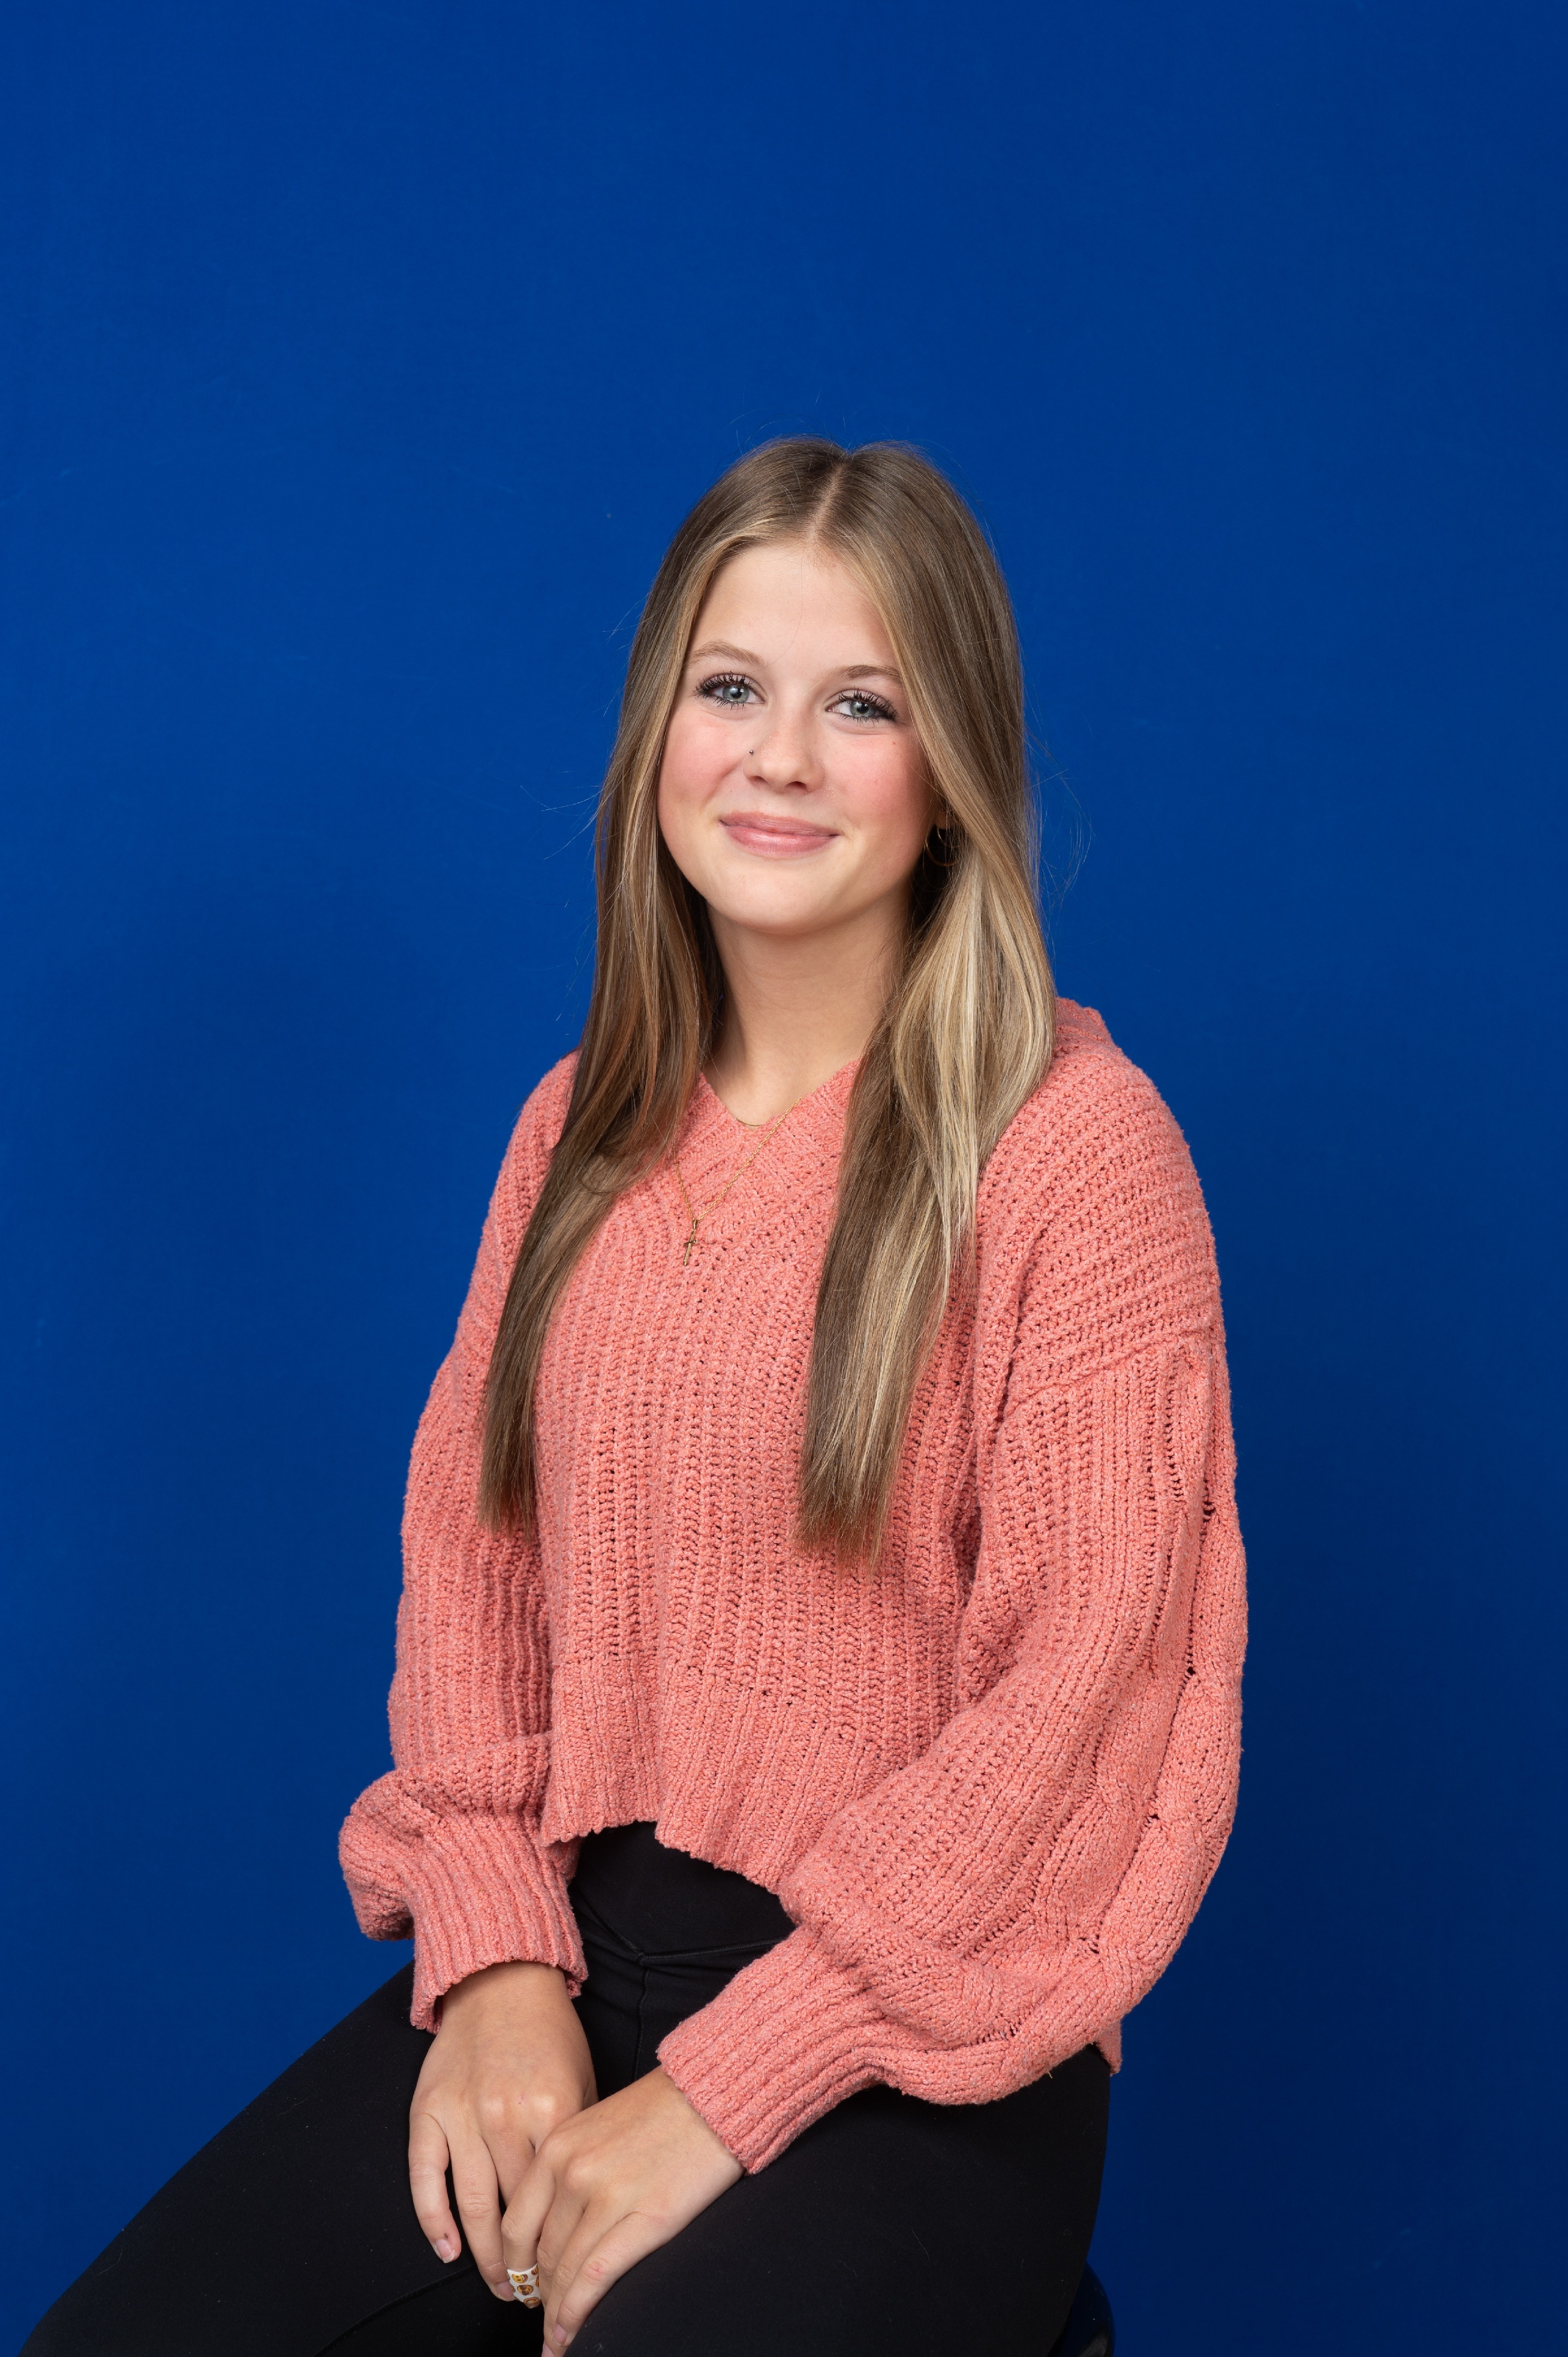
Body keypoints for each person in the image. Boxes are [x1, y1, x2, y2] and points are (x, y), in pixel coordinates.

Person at [25, 438, 1247, 2357]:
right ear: (658, 729)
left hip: (923, 2031)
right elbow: (474, 1577)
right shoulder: (578, 1131)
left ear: (952, 770)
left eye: (863, 705)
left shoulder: (1078, 1155)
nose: (781, 758)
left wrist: (725, 2089)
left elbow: (1080, 1707)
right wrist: (495, 1955)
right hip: (589, 1948)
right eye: (731, 686)